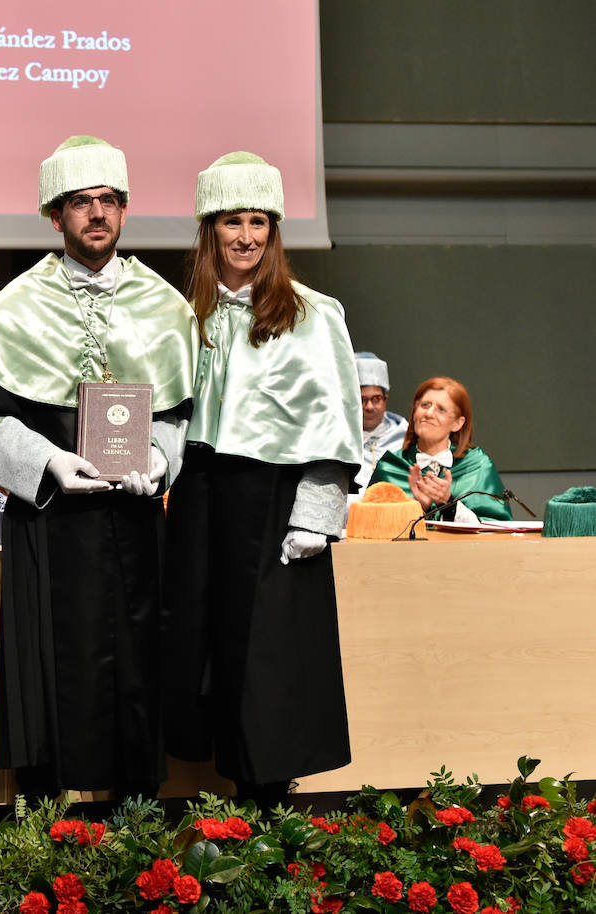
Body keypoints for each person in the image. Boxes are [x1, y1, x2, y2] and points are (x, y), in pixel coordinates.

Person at [0, 136, 198, 801]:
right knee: (54, 673)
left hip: (134, 522)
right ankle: (49, 836)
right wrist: (47, 464)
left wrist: (159, 461)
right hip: (51, 521)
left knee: (136, 672)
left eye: (108, 201)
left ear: (124, 210)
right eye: (81, 203)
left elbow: (182, 409)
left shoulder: (166, 308)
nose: (96, 214)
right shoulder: (13, 308)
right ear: (55, 214)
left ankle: (134, 833)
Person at [162, 152, 361, 808]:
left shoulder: (313, 313)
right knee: (202, 639)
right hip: (199, 496)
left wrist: (317, 512)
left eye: (259, 223)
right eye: (231, 222)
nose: (245, 236)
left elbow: (333, 424)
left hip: (275, 504)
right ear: (208, 230)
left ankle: (268, 802)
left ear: (275, 231)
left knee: (270, 657)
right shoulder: (182, 314)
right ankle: (215, 804)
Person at [369, 376, 511, 521]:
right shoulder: (390, 467)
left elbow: (496, 529)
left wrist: (449, 504)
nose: (429, 414)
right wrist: (419, 508)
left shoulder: (478, 466)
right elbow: (370, 527)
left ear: (457, 423)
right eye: (425, 405)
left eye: (441, 409)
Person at [354, 352, 407, 489]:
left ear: (385, 399)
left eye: (376, 399)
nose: (369, 407)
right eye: (362, 400)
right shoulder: (340, 440)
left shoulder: (405, 438)